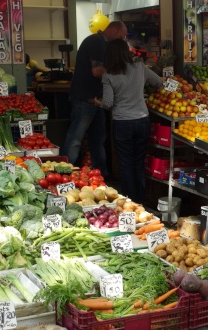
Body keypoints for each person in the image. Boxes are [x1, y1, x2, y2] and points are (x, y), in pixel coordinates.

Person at [96, 38, 162, 204]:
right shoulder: (139, 67)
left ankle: (129, 202)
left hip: (122, 122)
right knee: (138, 162)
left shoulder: (108, 75)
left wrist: (98, 102)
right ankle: (140, 201)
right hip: (142, 120)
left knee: (126, 164)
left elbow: (108, 103)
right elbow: (159, 82)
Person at [62, 20, 126, 174]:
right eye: (121, 36)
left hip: (96, 100)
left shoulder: (103, 43)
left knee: (98, 138)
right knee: (76, 138)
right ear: (113, 31)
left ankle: (100, 174)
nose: (122, 40)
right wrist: (120, 73)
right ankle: (63, 172)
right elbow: (97, 71)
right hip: (86, 98)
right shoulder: (97, 42)